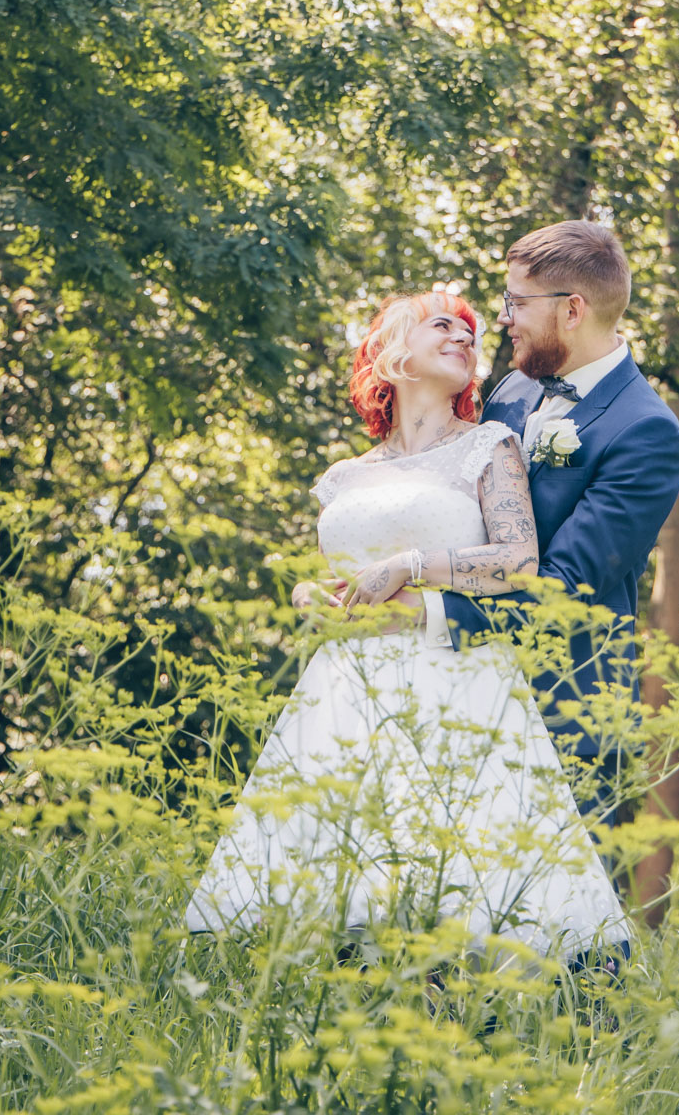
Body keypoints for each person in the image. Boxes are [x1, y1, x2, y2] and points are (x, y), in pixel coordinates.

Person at [184, 289, 629, 959]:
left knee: (459, 878)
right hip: (345, 688)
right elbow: (344, 579)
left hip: (453, 677)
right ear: (393, 351)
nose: (464, 336)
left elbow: (517, 560)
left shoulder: (490, 444)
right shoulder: (345, 476)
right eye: (442, 324)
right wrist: (312, 593)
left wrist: (412, 564)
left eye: (472, 331)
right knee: (336, 886)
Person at [419, 223, 679, 826]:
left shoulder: (645, 430)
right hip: (457, 695)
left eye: (516, 302)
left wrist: (425, 613)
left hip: (567, 719)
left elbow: (564, 588)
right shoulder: (510, 390)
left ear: (572, 310)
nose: (504, 318)